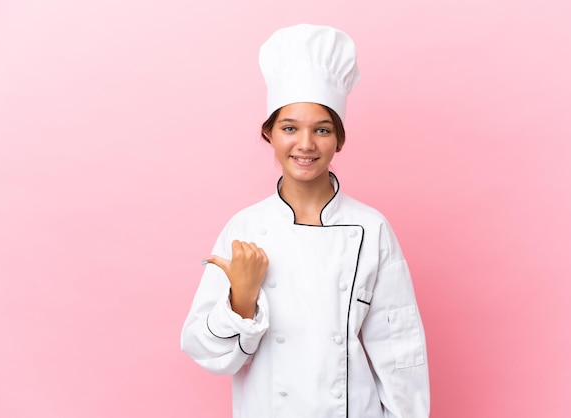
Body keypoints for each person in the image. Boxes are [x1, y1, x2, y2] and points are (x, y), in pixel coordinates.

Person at [181, 23, 430, 418]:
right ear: (269, 134)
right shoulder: (245, 229)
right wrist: (241, 301)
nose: (305, 144)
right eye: (289, 128)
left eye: (323, 130)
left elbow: (400, 351)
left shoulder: (371, 229)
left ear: (339, 140)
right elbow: (206, 351)